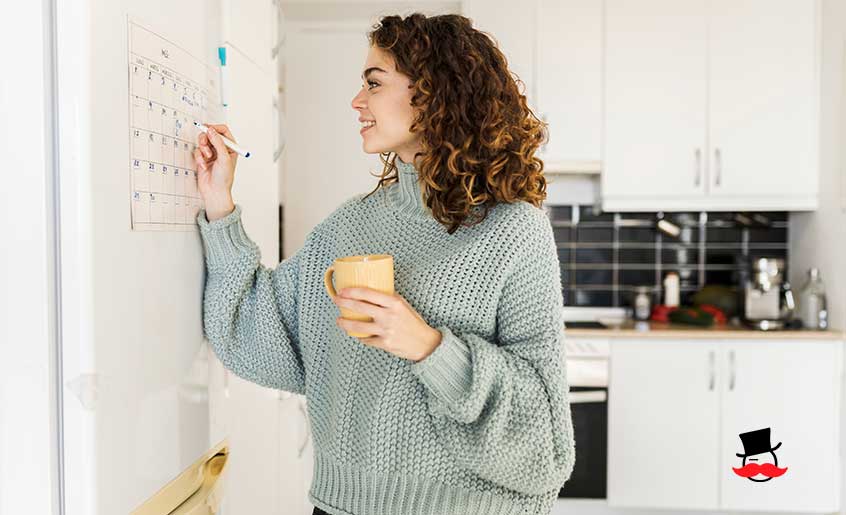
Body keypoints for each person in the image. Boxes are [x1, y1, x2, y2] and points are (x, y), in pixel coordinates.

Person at [193, 12, 575, 515]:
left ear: (436, 93)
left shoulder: (514, 232)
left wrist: (428, 347)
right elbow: (252, 329)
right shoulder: (348, 227)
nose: (357, 102)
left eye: (374, 83)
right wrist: (219, 203)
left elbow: (545, 448)